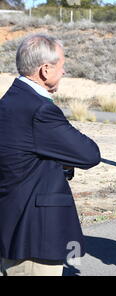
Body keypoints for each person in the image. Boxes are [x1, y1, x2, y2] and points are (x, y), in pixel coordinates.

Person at [0, 34, 101, 276]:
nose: (64, 72)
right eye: (62, 65)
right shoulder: (41, 109)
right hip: (34, 237)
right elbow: (89, 154)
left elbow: (24, 156)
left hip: (10, 226)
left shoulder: (9, 101)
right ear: (45, 70)